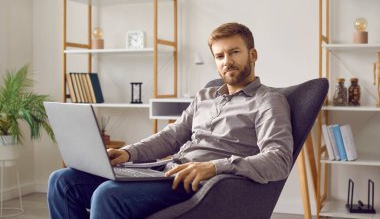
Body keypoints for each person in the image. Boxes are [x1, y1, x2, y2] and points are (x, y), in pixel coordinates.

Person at [47, 22, 293, 219]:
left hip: (202, 185)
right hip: (167, 171)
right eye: (219, 56)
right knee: (62, 181)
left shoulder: (268, 101)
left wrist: (215, 166)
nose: (226, 61)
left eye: (234, 52)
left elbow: (279, 159)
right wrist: (128, 153)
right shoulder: (206, 95)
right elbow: (172, 136)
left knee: (107, 195)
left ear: (253, 54)